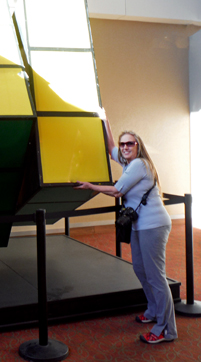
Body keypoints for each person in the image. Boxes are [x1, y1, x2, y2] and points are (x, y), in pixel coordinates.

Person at [74, 108, 177, 344]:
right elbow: (109, 147)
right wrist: (104, 118)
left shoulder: (139, 164)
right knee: (141, 270)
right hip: (140, 226)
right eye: (123, 144)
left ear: (138, 146)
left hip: (154, 225)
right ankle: (153, 312)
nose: (125, 147)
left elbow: (117, 190)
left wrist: (91, 186)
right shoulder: (126, 161)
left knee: (156, 276)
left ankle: (166, 328)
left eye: (129, 144)